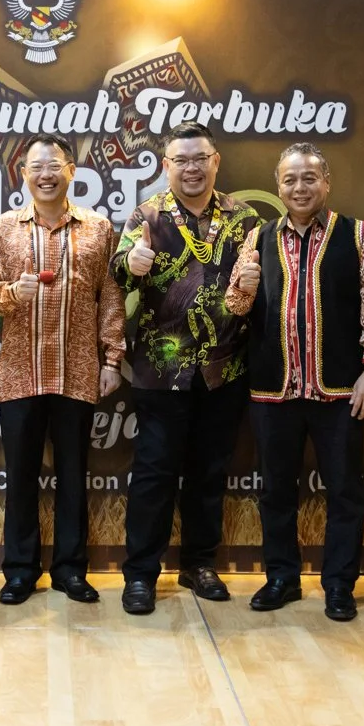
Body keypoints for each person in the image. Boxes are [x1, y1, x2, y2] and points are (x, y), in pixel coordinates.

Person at [225, 143, 364, 622]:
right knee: (275, 490)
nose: (299, 188)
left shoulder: (358, 236)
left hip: (340, 391)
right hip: (273, 390)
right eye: (289, 180)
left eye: (309, 178)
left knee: (344, 491)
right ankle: (281, 577)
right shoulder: (258, 238)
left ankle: (339, 584)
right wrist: (244, 286)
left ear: (327, 182)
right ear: (278, 185)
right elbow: (235, 308)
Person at [109, 121, 260, 615]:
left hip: (224, 368)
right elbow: (114, 271)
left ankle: (198, 564)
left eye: (200, 159)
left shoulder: (244, 217)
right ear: (166, 165)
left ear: (216, 161)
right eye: (181, 160)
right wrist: (131, 262)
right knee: (154, 473)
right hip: (161, 369)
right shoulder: (147, 214)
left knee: (209, 472)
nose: (191, 168)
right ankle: (140, 575)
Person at [0, 133, 126, 606]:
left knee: (73, 475)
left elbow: (111, 297)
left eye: (54, 165)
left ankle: (70, 571)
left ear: (71, 171)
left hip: (78, 369)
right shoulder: (4, 228)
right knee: (20, 477)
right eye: (35, 166)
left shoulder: (98, 229)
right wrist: (10, 294)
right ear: (22, 174)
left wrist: (112, 357)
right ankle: (20, 571)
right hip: (20, 372)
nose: (45, 174)